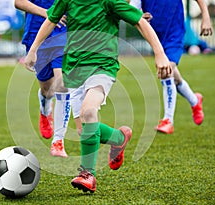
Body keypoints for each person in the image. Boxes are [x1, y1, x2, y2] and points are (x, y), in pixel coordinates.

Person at [24, 0, 172, 193]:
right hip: (74, 69)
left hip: (102, 66)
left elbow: (140, 23)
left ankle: (87, 175)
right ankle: (118, 138)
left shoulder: (109, 1)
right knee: (83, 131)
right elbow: (51, 20)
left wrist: (160, 53)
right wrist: (34, 49)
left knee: (88, 112)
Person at [14, 0, 82, 158]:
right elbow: (19, 2)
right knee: (47, 88)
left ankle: (58, 141)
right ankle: (45, 108)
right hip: (37, 30)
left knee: (63, 83)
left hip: (64, 29)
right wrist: (47, 13)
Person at [138, 0, 213, 134]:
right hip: (155, 36)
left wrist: (206, 17)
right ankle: (195, 101)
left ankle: (168, 120)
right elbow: (134, 8)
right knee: (175, 77)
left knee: (166, 71)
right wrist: (140, 15)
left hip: (174, 34)